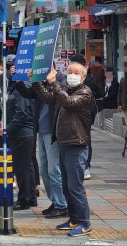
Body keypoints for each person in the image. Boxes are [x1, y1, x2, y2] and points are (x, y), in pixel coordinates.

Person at [33, 63, 94, 237]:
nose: (72, 75)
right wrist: (36, 80)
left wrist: (55, 84)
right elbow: (48, 98)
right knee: (67, 186)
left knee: (75, 186)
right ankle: (73, 219)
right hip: (63, 142)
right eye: (69, 72)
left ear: (83, 77)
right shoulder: (65, 89)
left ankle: (84, 222)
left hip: (76, 144)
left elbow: (68, 103)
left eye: (76, 73)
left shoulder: (85, 92)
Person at [16, 70, 68, 219]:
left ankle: (62, 204)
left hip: (53, 132)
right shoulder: (41, 80)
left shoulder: (60, 79)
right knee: (44, 170)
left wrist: (40, 81)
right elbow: (29, 93)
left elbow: (51, 98)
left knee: (54, 169)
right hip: (41, 130)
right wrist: (19, 80)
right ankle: (55, 201)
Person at [5, 65, 36, 210]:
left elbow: (22, 114)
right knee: (26, 167)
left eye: (15, 69)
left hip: (21, 134)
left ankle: (24, 199)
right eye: (11, 69)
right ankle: (30, 197)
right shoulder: (16, 87)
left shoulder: (22, 89)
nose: (12, 71)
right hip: (22, 133)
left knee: (22, 169)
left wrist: (7, 130)